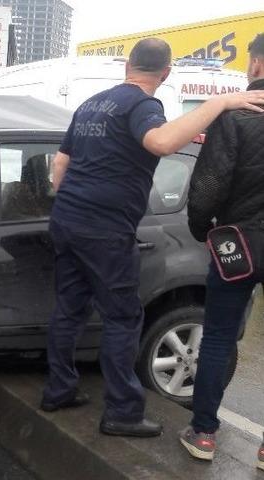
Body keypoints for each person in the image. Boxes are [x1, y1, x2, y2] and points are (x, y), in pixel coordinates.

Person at [42, 38, 264, 438]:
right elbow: (161, 143)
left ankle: (58, 390)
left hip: (67, 219)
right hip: (105, 229)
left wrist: (74, 202)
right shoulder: (145, 105)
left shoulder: (92, 103)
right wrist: (220, 103)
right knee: (123, 317)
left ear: (127, 65)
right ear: (165, 73)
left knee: (69, 309)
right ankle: (122, 413)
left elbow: (61, 164)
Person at [180, 34, 264, 467]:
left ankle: (204, 433)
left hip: (239, 244)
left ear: (254, 64)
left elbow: (208, 186)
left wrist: (201, 229)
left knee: (217, 336)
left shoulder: (236, 115)